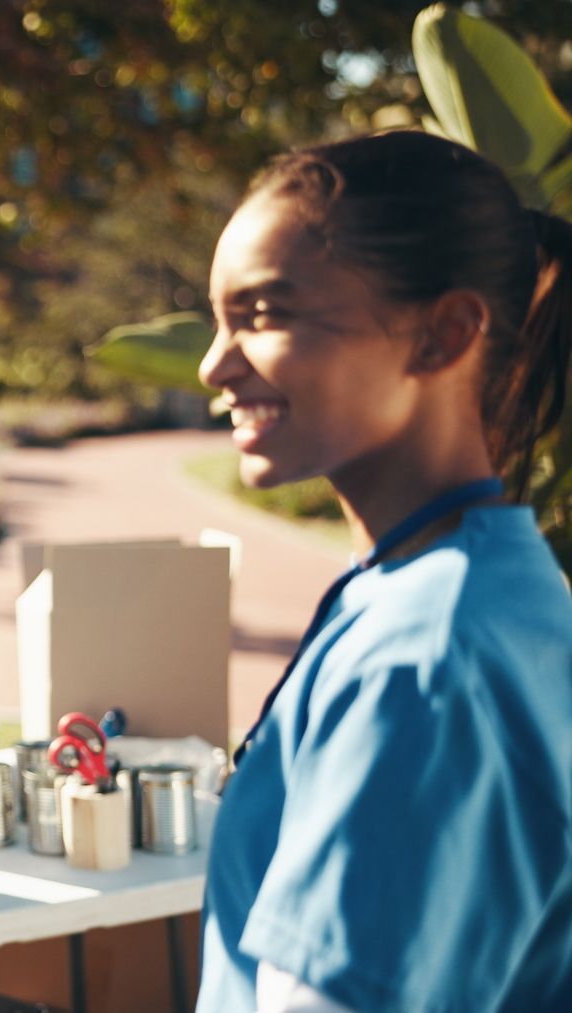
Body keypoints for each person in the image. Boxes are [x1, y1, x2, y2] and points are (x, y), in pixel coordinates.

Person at [196, 131, 572, 1011]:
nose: (214, 366)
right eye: (217, 319)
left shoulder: (432, 658)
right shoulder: (447, 586)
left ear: (443, 334)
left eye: (263, 315)